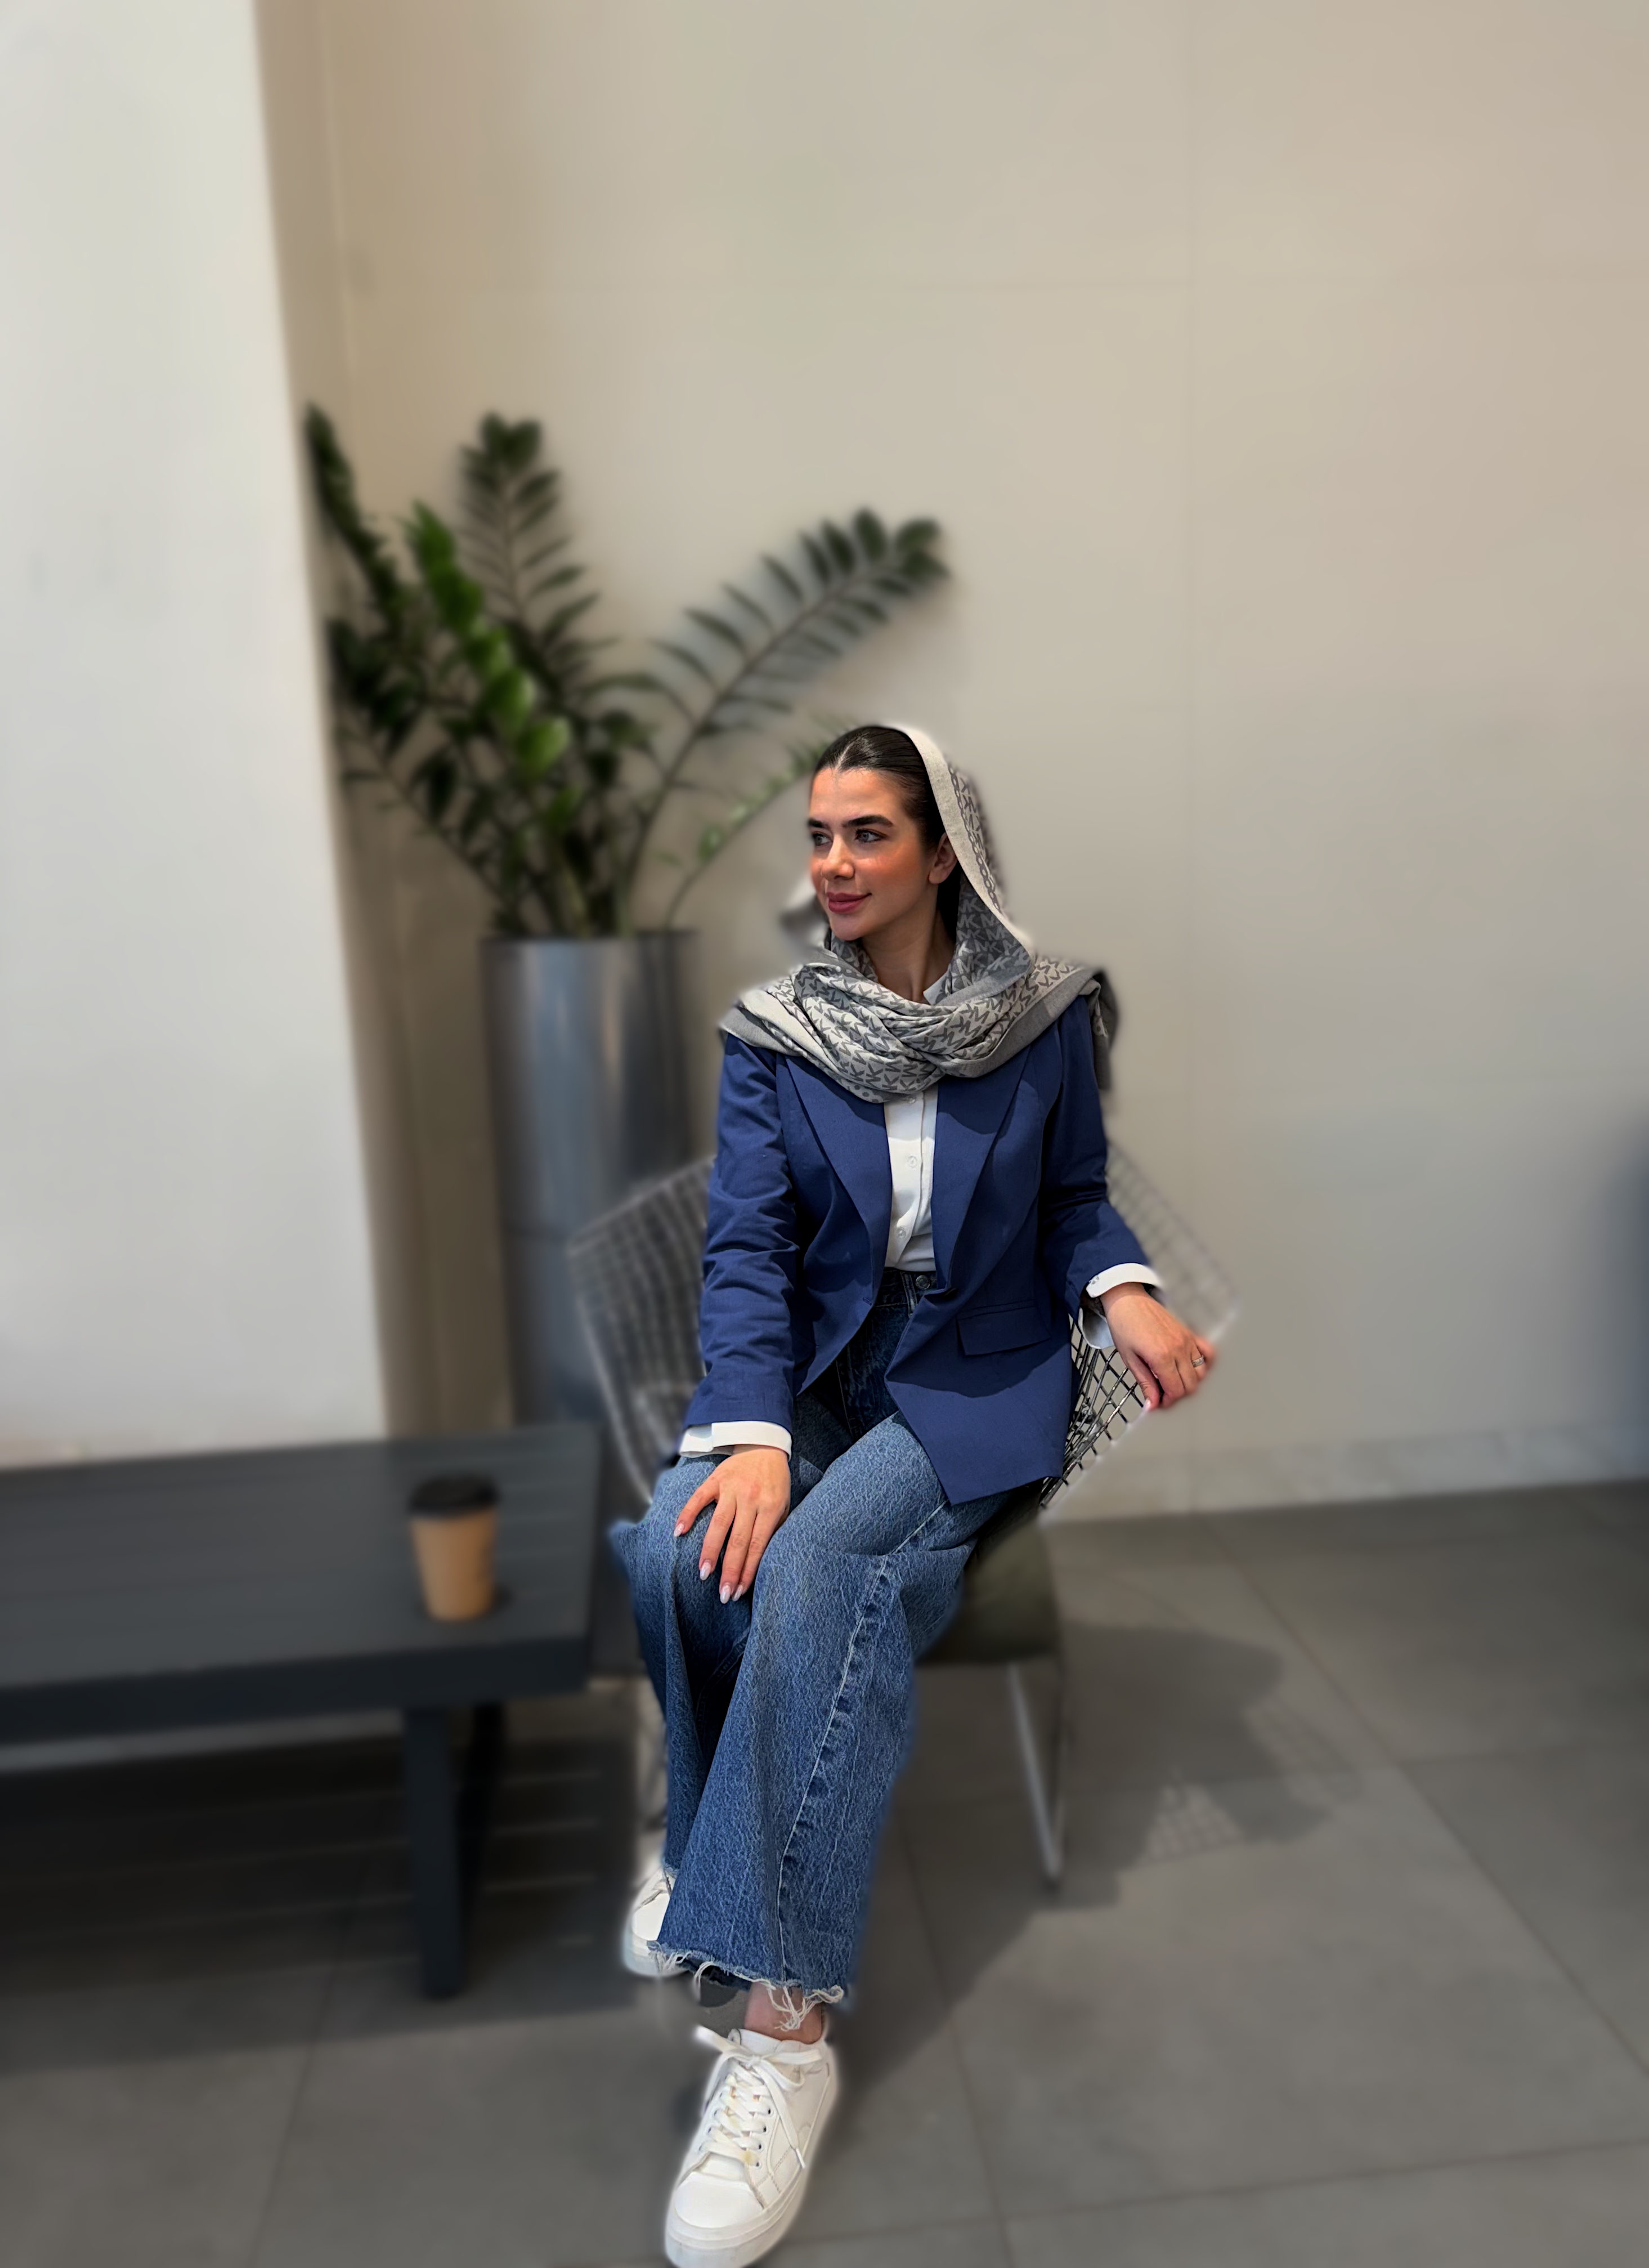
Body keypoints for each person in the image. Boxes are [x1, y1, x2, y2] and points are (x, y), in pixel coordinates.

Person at [611, 724, 1215, 2268]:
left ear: (943, 850)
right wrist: (752, 1430)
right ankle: (708, 1844)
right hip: (817, 1369)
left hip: (977, 1374)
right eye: (819, 834)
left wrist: (1127, 1290)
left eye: (868, 833)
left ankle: (782, 2039)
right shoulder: (777, 1033)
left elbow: (1073, 1202)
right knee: (681, 1552)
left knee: (817, 1572)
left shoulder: (1044, 1015)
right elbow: (748, 1251)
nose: (833, 863)